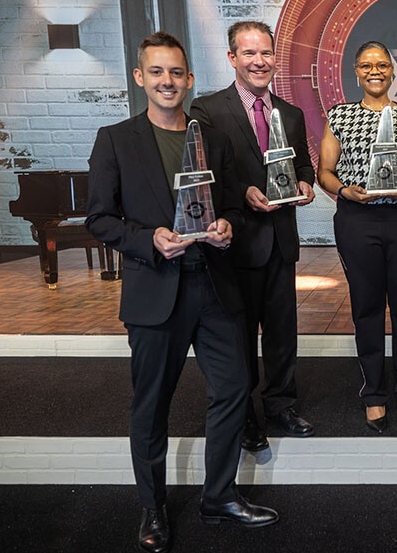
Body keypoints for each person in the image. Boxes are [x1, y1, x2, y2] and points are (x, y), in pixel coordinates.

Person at [86, 32, 279, 553]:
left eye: (176, 73)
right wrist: (147, 239)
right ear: (140, 77)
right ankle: (152, 509)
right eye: (157, 72)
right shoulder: (116, 139)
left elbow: (235, 206)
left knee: (235, 389)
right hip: (156, 292)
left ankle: (219, 496)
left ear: (190, 78)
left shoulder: (210, 139)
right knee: (151, 406)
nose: (167, 81)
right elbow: (99, 219)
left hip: (213, 286)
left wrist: (227, 227)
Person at [190, 21, 315, 453]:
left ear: (275, 58)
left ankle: (281, 406)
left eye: (266, 54)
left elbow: (303, 166)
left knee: (283, 333)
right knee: (238, 338)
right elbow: (203, 174)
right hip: (236, 242)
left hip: (281, 240)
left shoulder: (292, 114)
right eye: (248, 54)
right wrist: (243, 191)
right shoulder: (207, 111)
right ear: (232, 58)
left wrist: (305, 184)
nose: (259, 62)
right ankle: (242, 416)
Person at [317, 41, 397, 433]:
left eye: (382, 65)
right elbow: (324, 172)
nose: (375, 71)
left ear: (392, 71)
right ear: (356, 71)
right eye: (367, 65)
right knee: (366, 309)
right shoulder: (340, 115)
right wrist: (343, 191)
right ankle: (373, 393)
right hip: (357, 221)